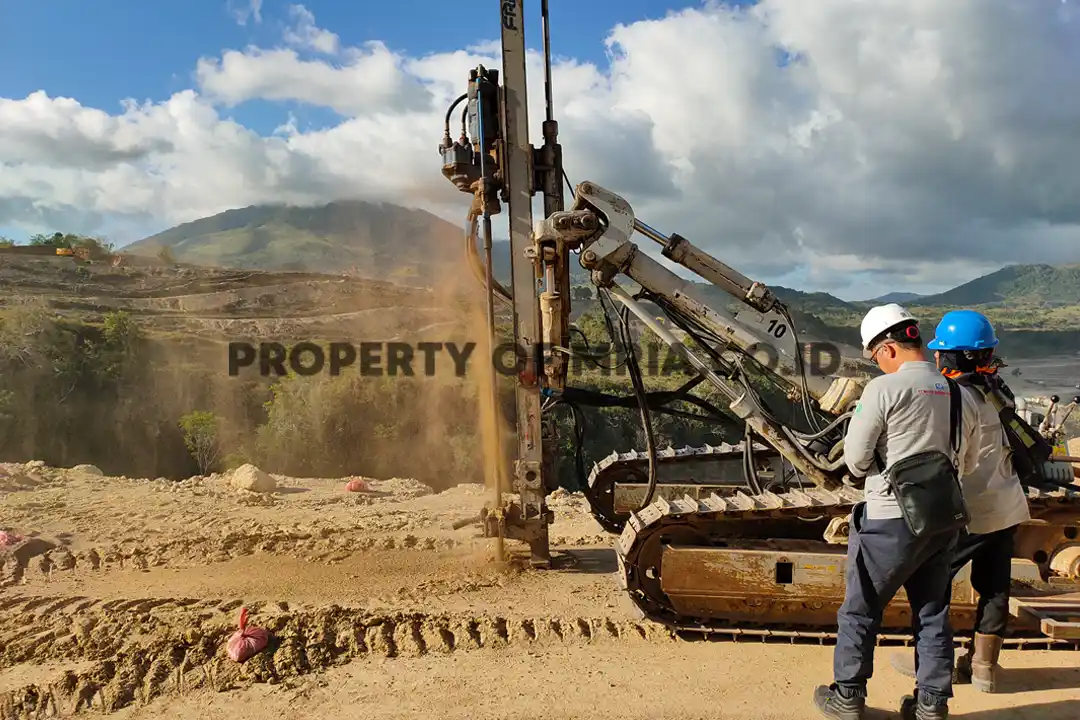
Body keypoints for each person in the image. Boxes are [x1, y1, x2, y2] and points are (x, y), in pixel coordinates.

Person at [814, 304, 982, 720]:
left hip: (889, 519)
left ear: (887, 348)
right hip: (942, 520)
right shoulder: (962, 394)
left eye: (874, 357)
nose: (877, 365)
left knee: (861, 607)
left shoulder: (881, 391)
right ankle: (931, 704)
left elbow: (854, 461)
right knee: (932, 612)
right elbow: (971, 462)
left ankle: (848, 696)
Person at [888, 309, 1030, 693]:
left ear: (949, 355)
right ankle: (984, 667)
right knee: (995, 586)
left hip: (968, 509)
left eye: (939, 351)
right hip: (1008, 504)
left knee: (932, 585)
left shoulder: (950, 395)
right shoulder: (999, 389)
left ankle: (936, 667)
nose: (934, 356)